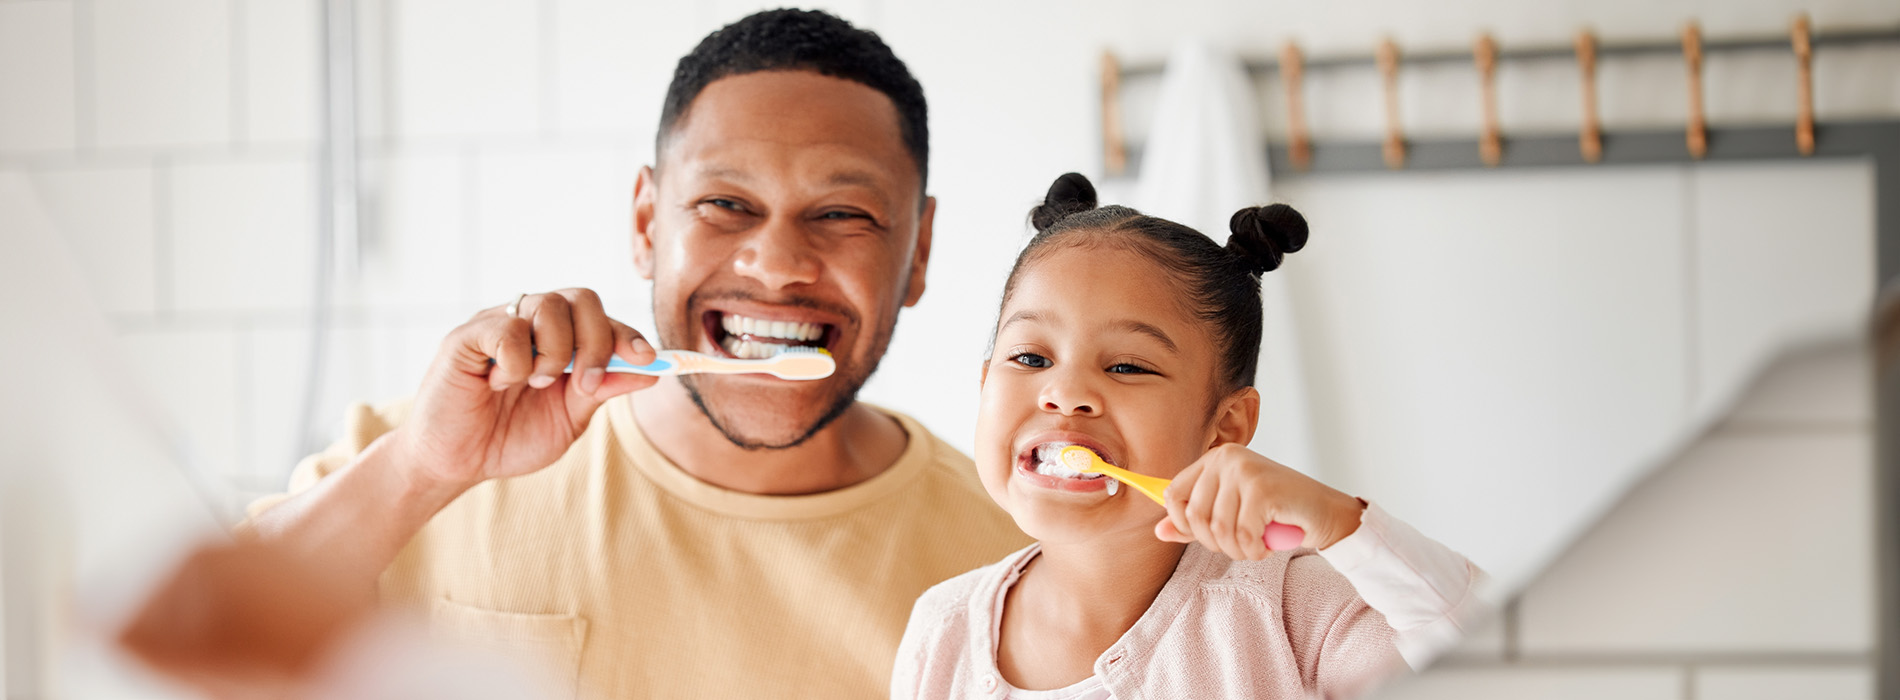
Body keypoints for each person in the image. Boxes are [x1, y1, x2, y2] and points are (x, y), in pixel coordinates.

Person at [241, 9, 1029, 698]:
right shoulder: (418, 462)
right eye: (726, 204)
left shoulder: (1013, 558)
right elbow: (190, 646)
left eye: (843, 213)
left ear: (919, 251)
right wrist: (420, 471)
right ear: (648, 224)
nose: (778, 262)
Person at [891, 173, 1484, 699]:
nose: (1065, 392)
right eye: (1028, 357)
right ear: (983, 383)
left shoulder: (1296, 614)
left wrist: (1339, 522)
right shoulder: (939, 631)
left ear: (1225, 427)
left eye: (1126, 366)